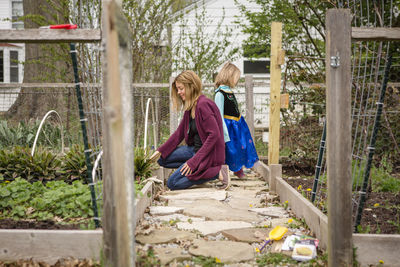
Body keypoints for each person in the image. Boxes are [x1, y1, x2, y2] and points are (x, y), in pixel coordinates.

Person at [149, 70, 226, 190]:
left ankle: (215, 172)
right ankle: (200, 170)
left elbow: (214, 135)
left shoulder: (203, 105)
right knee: (162, 159)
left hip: (208, 155)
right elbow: (179, 134)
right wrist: (159, 151)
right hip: (194, 150)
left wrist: (193, 162)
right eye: (177, 89)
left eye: (181, 88)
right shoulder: (190, 107)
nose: (179, 92)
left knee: (172, 183)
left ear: (191, 86)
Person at [214, 62, 259, 179]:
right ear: (229, 76)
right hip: (228, 127)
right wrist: (223, 133)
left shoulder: (229, 92)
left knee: (241, 146)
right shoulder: (220, 93)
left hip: (237, 126)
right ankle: (225, 172)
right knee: (229, 149)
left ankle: (238, 168)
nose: (237, 80)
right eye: (236, 78)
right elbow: (219, 114)